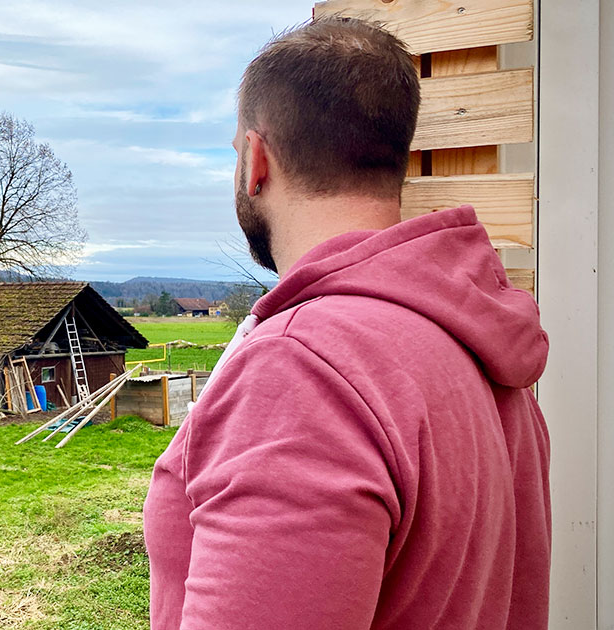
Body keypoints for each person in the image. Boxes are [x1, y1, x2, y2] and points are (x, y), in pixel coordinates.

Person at [143, 17, 550, 630]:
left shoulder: (303, 371)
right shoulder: (478, 346)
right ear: (395, 161)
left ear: (257, 160)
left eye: (234, 153)